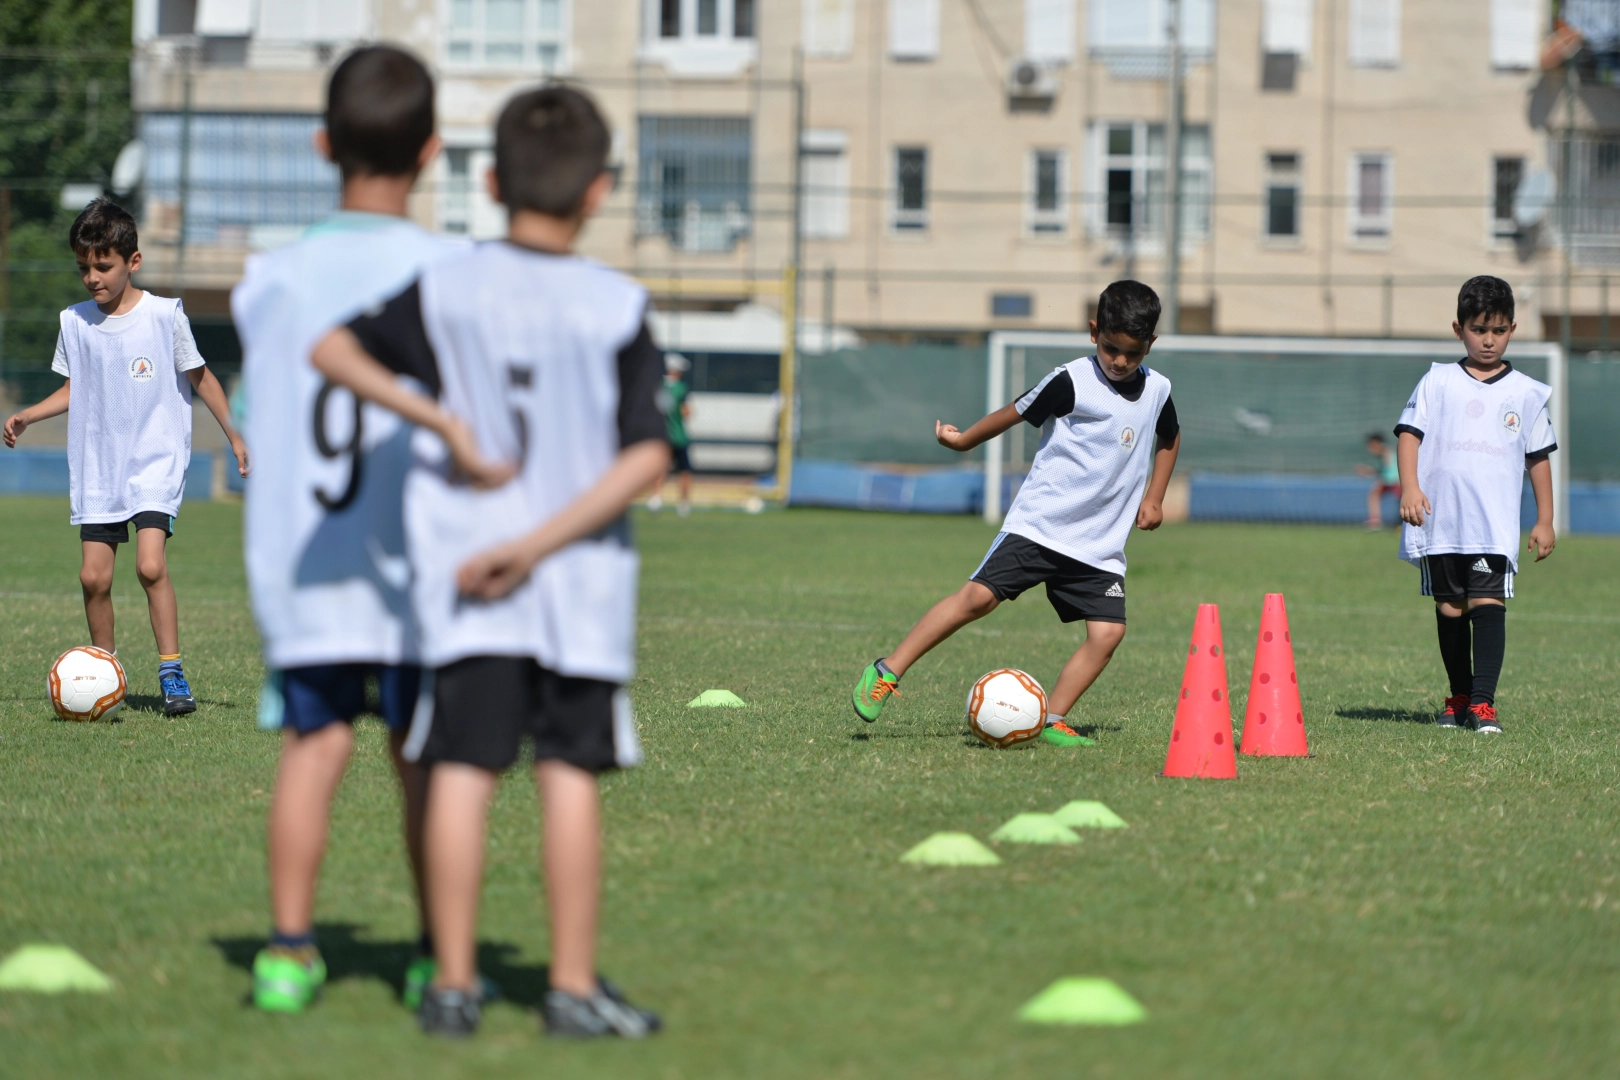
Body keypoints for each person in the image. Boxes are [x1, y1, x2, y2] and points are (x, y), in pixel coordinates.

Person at [310, 84, 668, 1039]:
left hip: (467, 581)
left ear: (492, 178)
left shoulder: (447, 284)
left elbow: (333, 351)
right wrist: (538, 545)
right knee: (568, 775)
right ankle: (571, 989)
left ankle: (454, 986)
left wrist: (445, 427)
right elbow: (648, 454)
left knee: (463, 771)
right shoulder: (617, 304)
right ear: (599, 192)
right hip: (576, 585)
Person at [232, 46, 486, 1014]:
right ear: (432, 152)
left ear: (321, 143)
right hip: (423, 567)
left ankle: (289, 952)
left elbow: (269, 398)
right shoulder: (457, 270)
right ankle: (432, 953)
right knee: (422, 759)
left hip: (308, 562)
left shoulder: (269, 280)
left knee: (314, 747)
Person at [851, 280, 1180, 747]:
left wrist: (1155, 496)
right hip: (1041, 526)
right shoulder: (1072, 381)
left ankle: (1051, 719)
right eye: (1111, 348)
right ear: (1093, 333)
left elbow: (1169, 435)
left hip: (1098, 544)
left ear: (1151, 344)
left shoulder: (1159, 390)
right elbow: (1015, 412)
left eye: (1133, 352)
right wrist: (963, 440)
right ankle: (886, 671)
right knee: (976, 600)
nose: (1121, 361)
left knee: (1108, 634)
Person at [3, 198, 248, 716]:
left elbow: (201, 377)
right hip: (99, 463)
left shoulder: (165, 316)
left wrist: (235, 434)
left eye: (103, 266)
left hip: (154, 459)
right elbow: (76, 388)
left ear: (132, 262)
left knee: (150, 565)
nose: (92, 277)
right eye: (83, 267)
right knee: (93, 577)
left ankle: (172, 673)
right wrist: (29, 414)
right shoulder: (73, 322)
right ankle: (103, 670)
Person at [1395, 275, 1556, 734]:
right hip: (1440, 520)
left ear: (1512, 329)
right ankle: (1459, 696)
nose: (1489, 340)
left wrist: (1544, 519)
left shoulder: (1525, 392)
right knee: (1450, 608)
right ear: (1458, 328)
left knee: (1488, 604)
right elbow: (1410, 435)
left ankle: (1483, 704)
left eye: (1499, 330)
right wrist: (1410, 487)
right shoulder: (1437, 380)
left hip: (1491, 523)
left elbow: (1538, 458)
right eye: (1479, 329)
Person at [646, 352, 693, 516]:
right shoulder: (681, 388)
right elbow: (686, 412)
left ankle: (655, 498)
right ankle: (684, 504)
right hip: (679, 436)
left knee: (660, 469)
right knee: (684, 471)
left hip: (662, 436)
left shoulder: (659, 387)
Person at [1356, 432, 1401, 528]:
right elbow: (1383, 471)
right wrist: (1368, 471)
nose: (1370, 448)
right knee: (1374, 494)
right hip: (1390, 480)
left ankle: (1377, 521)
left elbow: (1388, 467)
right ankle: (1375, 520)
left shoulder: (1384, 450)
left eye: (1371, 445)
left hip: (1395, 481)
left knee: (1401, 500)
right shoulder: (1383, 453)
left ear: (1376, 443)